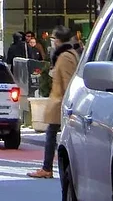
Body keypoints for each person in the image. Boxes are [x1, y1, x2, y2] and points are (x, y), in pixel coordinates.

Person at [28, 25, 78, 179]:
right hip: (60, 102)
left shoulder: (65, 57)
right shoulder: (68, 55)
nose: (52, 42)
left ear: (58, 40)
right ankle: (48, 167)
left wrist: (67, 103)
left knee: (52, 134)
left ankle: (47, 168)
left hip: (61, 103)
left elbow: (69, 82)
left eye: (54, 38)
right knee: (54, 134)